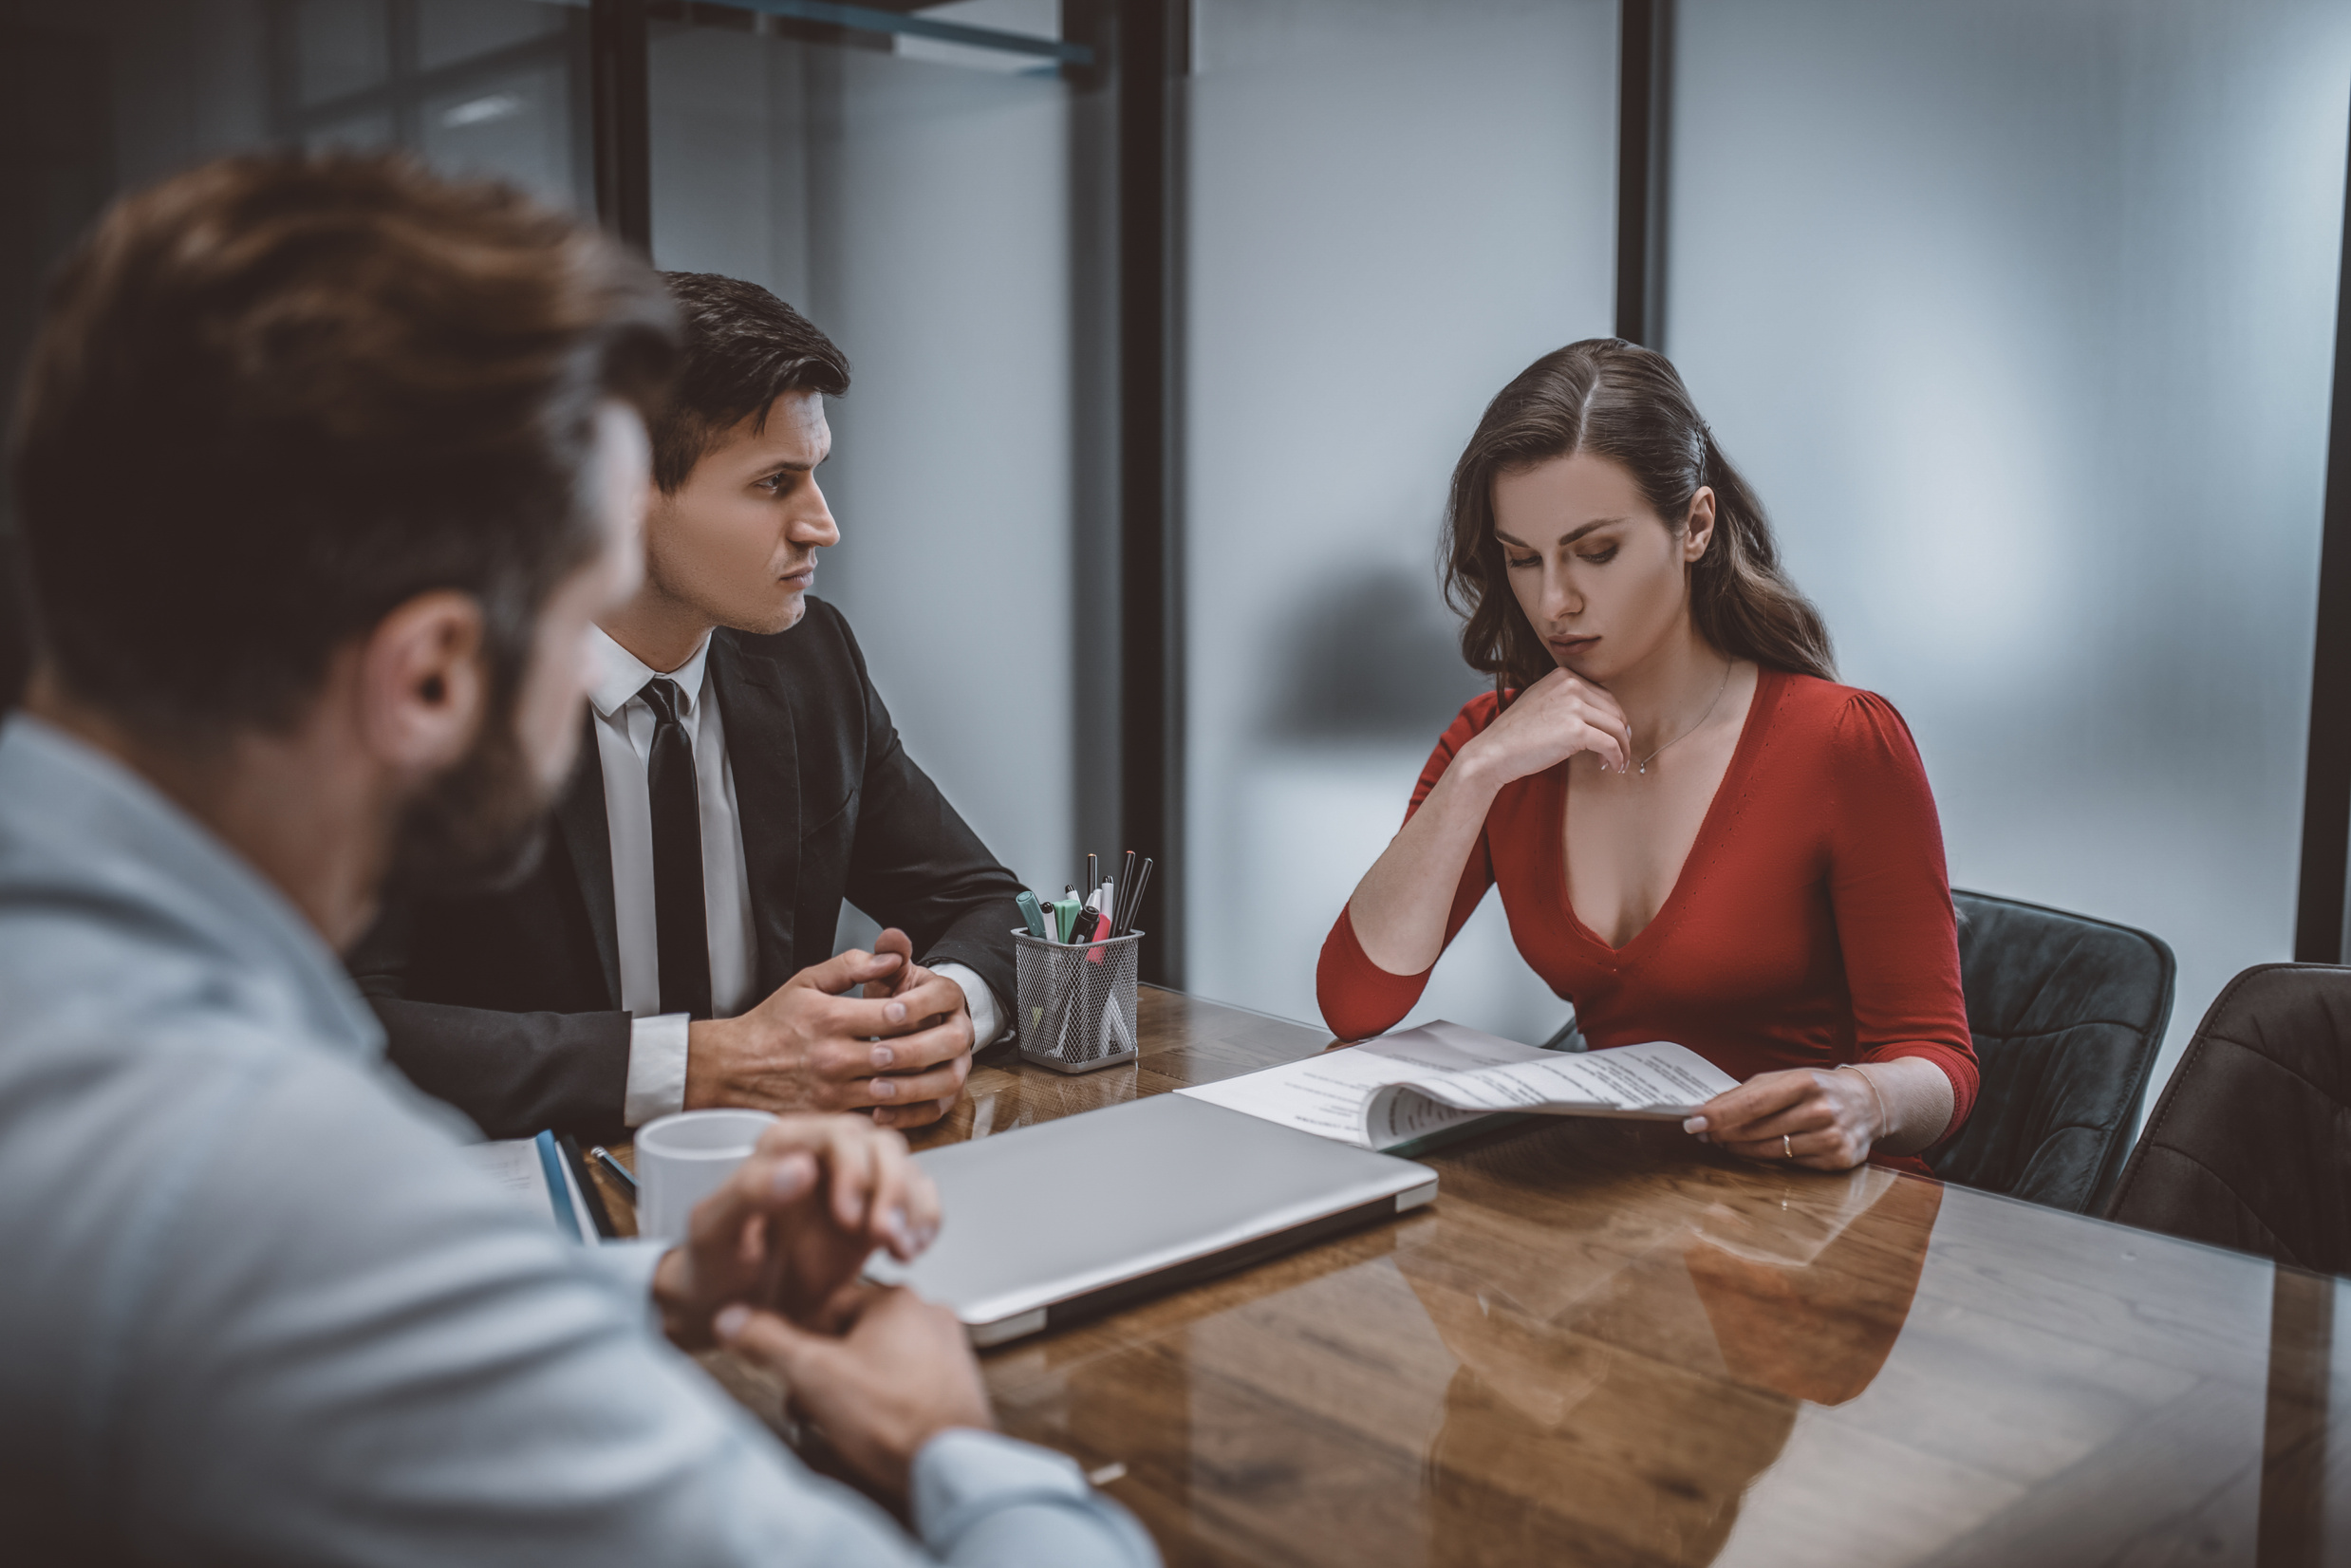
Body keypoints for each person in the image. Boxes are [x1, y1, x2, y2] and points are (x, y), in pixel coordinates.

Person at [0, 149, 1153, 1566]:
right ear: (430, 676)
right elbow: (321, 1272)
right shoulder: (264, 1181)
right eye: (573, 586)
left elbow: (357, 1338)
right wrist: (950, 1448)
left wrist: (662, 1288)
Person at [350, 271, 1023, 1142]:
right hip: (539, 1209)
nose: (822, 524)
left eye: (815, 475)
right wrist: (705, 1065)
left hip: (793, 1182)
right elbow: (350, 1021)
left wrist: (942, 1016)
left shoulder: (812, 660)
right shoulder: (450, 691)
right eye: (774, 483)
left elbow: (992, 905)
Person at [1319, 339, 1976, 1173]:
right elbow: (1355, 1003)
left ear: (1694, 525)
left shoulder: (1842, 741)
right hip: (1623, 1210)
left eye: (1596, 552)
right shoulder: (1499, 747)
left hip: (1820, 1220)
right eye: (1522, 559)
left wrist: (1865, 1098)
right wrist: (1477, 773)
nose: (1554, 602)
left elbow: (1939, 1062)